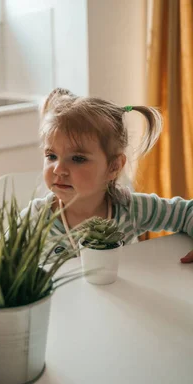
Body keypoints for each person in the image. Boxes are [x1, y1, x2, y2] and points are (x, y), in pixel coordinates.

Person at [22, 88, 193, 264]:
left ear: (114, 167)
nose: (58, 169)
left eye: (77, 159)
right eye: (51, 156)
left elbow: (187, 211)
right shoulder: (35, 219)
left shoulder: (130, 209)